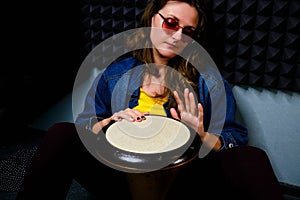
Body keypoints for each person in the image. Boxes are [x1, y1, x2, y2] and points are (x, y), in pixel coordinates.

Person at [17, 0, 284, 199]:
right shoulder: (116, 73)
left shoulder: (208, 81)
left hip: (181, 183)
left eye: (188, 31)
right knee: (62, 132)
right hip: (121, 176)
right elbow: (87, 123)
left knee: (252, 157)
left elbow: (234, 141)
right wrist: (109, 121)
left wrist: (202, 135)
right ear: (152, 18)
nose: (178, 36)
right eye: (171, 23)